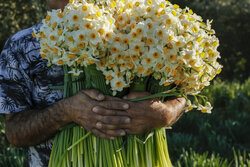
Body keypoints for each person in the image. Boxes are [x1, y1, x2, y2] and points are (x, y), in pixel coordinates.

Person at [0, 0, 186, 166]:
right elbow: (15, 132)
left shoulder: (133, 30)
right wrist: (64, 112)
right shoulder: (21, 47)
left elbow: (179, 97)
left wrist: (166, 113)